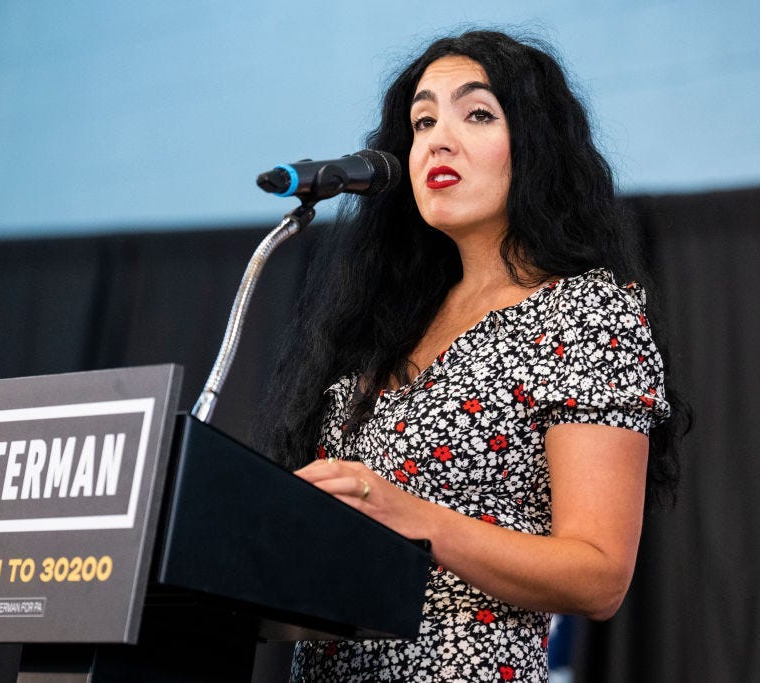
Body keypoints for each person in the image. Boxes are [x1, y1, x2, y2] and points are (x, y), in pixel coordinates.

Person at [259, 30, 687, 682]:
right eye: (422, 120)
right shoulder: (383, 322)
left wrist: (410, 516)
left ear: (535, 147)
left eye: (477, 113)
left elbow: (600, 574)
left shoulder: (583, 315)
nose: (437, 139)